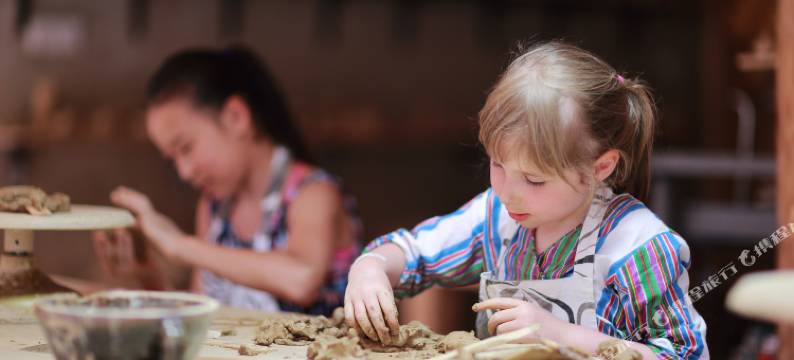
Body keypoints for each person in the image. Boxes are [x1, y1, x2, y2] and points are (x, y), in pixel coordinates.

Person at [344, 42, 708, 359]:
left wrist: (562, 334)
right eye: (498, 164)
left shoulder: (638, 248)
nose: (509, 191)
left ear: (600, 167)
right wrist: (370, 268)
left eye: (535, 179)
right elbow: (414, 254)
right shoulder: (496, 217)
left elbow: (685, 355)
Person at [94, 47, 361, 316]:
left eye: (185, 148)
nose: (184, 172)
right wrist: (148, 276)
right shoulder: (213, 207)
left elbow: (301, 279)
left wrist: (180, 245)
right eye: (172, 159)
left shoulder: (313, 192)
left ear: (236, 117)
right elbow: (200, 320)